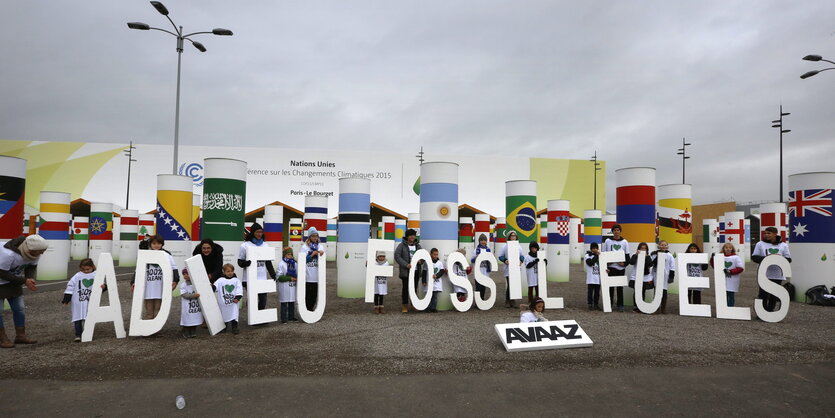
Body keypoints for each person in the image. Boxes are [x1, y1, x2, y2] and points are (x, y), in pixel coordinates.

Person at [0, 234, 46, 347]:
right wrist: (24, 280)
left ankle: (20, 336)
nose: (42, 253)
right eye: (40, 251)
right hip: (2, 279)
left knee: (19, 309)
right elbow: (1, 272)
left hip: (14, 281)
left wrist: (29, 278)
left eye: (43, 251)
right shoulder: (8, 253)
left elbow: (31, 266)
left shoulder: (35, 253)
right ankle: (2, 339)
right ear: (29, 249)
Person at [131, 234, 179, 322]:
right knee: (149, 310)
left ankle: (157, 329)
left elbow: (174, 268)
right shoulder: (145, 254)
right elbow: (138, 269)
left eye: (158, 243)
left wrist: (176, 280)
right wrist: (133, 282)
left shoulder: (167, 254)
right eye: (154, 243)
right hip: (148, 287)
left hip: (160, 287)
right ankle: (148, 328)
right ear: (150, 244)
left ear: (162, 244)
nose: (156, 245)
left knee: (158, 309)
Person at [238, 223, 277, 311]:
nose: (259, 234)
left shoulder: (265, 245)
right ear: (252, 233)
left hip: (262, 277)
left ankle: (260, 316)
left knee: (263, 300)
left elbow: (268, 262)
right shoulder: (245, 246)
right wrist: (246, 263)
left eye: (261, 232)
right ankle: (253, 318)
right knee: (252, 299)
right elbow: (239, 262)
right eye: (257, 232)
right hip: (249, 278)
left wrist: (273, 274)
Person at [751, 226, 792, 312]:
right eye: (765, 233)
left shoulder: (783, 245)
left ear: (775, 234)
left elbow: (788, 259)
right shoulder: (760, 244)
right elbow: (754, 257)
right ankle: (762, 311)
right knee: (763, 294)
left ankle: (770, 310)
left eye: (769, 233)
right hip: (764, 273)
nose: (766, 235)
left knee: (774, 294)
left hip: (777, 274)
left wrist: (778, 259)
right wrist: (766, 259)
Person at [62, 258, 96, 342]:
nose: (86, 271)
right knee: (77, 318)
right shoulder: (77, 276)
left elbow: (101, 284)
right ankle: (78, 335)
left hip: (90, 300)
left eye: (88, 269)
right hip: (78, 301)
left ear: (92, 267)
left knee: (89, 317)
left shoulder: (96, 275)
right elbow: (70, 287)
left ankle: (87, 333)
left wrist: (104, 287)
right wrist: (66, 299)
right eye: (83, 269)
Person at [394, 228, 423, 313]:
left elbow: (422, 256)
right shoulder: (401, 245)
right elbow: (397, 256)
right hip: (406, 271)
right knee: (405, 289)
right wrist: (406, 264)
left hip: (416, 271)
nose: (412, 237)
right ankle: (405, 305)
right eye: (410, 235)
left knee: (415, 288)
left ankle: (414, 304)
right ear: (407, 236)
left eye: (413, 235)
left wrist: (421, 261)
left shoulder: (418, 246)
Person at [602, 224, 630, 312]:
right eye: (615, 230)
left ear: (620, 231)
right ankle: (609, 303)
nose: (616, 232)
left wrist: (623, 264)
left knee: (619, 287)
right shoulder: (607, 241)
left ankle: (620, 304)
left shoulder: (624, 242)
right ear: (612, 231)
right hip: (611, 267)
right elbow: (604, 254)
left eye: (618, 230)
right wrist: (606, 264)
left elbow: (627, 256)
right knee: (610, 287)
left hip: (620, 268)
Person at [300, 227, 325, 312]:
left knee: (314, 295)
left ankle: (311, 310)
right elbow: (302, 261)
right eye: (313, 236)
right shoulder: (304, 247)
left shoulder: (320, 246)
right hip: (307, 276)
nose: (315, 238)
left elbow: (323, 258)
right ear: (309, 237)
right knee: (307, 294)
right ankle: (306, 310)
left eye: (316, 236)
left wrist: (320, 253)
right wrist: (311, 255)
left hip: (317, 276)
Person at [215, 263, 243, 334]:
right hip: (223, 303)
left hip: (233, 302)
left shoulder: (236, 280)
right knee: (223, 315)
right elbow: (215, 287)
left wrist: (238, 297)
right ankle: (224, 327)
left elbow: (239, 289)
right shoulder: (220, 280)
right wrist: (211, 287)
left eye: (231, 271)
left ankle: (234, 327)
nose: (230, 273)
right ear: (224, 272)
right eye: (228, 271)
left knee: (234, 314)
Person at [497, 231, 521, 308]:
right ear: (509, 237)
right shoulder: (505, 246)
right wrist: (505, 260)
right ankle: (507, 300)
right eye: (512, 236)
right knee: (510, 284)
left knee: (514, 284)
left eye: (514, 236)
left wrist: (521, 260)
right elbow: (500, 256)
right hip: (508, 268)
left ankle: (513, 300)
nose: (513, 237)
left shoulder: (518, 246)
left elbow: (521, 255)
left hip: (516, 268)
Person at [628, 242, 654, 312]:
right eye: (642, 248)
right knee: (636, 291)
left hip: (645, 277)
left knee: (643, 291)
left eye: (645, 248)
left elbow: (650, 264)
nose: (643, 250)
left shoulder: (648, 256)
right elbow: (631, 262)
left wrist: (646, 256)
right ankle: (635, 306)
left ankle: (641, 306)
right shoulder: (634, 254)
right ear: (639, 248)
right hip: (636, 276)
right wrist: (636, 254)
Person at [651, 240, 675, 314]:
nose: (663, 246)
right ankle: (656, 307)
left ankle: (663, 308)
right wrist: (658, 256)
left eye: (665, 245)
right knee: (656, 292)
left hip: (665, 276)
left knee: (664, 293)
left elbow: (672, 266)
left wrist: (671, 277)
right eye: (662, 245)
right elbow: (652, 264)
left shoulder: (669, 255)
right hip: (656, 275)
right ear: (659, 246)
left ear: (667, 246)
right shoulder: (654, 254)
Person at [276, 247, 298, 323]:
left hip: (292, 286)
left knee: (292, 301)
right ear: (284, 255)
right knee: (284, 302)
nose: (290, 256)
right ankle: (284, 318)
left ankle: (291, 317)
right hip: (284, 286)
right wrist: (290, 278)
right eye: (288, 254)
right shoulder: (281, 264)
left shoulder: (294, 263)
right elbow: (279, 277)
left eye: (291, 254)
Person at [179, 268, 202, 338]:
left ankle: (193, 330)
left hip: (195, 306)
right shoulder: (183, 285)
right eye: (184, 274)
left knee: (195, 318)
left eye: (187, 274)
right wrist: (193, 295)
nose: (185, 276)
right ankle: (185, 330)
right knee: (187, 318)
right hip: (187, 306)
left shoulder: (197, 284)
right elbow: (184, 295)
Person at [470, 234, 492, 301]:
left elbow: (491, 260)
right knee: (478, 287)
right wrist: (476, 257)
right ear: (479, 241)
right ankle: (477, 301)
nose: (483, 241)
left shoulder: (488, 250)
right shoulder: (476, 250)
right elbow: (472, 260)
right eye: (482, 240)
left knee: (483, 287)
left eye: (484, 240)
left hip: (485, 272)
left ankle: (482, 300)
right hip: (478, 272)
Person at [427, 248, 445, 313]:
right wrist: (424, 281)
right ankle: (428, 307)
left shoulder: (439, 263)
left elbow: (442, 271)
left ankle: (433, 308)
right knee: (428, 296)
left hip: (436, 282)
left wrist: (436, 275)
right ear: (431, 254)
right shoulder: (428, 262)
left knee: (434, 296)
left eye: (437, 254)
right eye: (434, 254)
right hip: (429, 283)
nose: (435, 256)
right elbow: (424, 271)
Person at [584, 243, 601, 311]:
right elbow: (590, 263)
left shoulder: (600, 256)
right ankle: (590, 304)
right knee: (590, 292)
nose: (594, 249)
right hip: (591, 278)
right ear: (591, 249)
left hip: (598, 278)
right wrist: (597, 256)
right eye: (593, 248)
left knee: (597, 293)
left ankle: (596, 304)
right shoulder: (587, 255)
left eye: (596, 248)